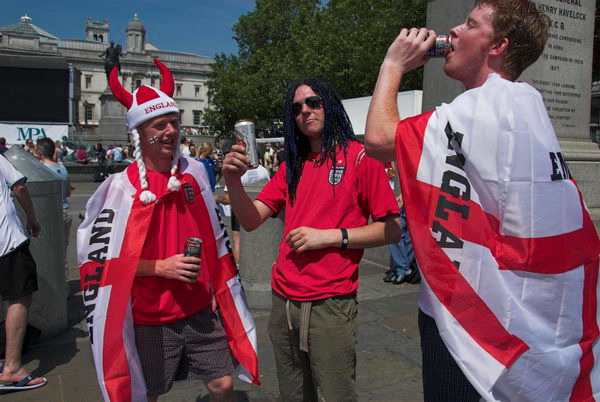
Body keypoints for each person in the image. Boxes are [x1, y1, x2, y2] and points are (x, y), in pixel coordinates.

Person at [365, 1, 600, 401]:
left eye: (471, 24)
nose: (453, 30)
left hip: (473, 326)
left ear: (498, 46)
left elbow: (379, 139)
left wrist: (392, 66)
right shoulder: (525, 104)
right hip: (528, 321)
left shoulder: (483, 106)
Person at [77, 59, 258, 401]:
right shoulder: (118, 189)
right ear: (139, 134)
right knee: (148, 393)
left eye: (173, 123)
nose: (170, 131)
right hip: (150, 319)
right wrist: (159, 267)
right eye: (159, 125)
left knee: (223, 386)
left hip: (201, 309)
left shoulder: (196, 173)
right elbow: (98, 266)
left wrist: (220, 290)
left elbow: (215, 238)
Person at [223, 78, 401, 402]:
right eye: (297, 108)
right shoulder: (292, 164)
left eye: (313, 102)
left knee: (337, 395)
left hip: (330, 306)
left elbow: (392, 229)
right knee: (293, 396)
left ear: (329, 105)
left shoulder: (362, 158)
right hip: (284, 303)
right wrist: (233, 183)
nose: (305, 110)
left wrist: (330, 237)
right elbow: (250, 221)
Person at [0, 152, 45, 391]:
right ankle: (12, 368)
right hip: (6, 241)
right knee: (19, 296)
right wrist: (32, 218)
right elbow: (19, 187)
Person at [215, 154, 271, 265]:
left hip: (240, 209)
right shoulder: (263, 170)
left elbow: (229, 198)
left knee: (237, 239)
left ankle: (239, 267)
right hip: (262, 207)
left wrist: (216, 198)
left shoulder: (237, 172)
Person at [36, 138, 72, 281]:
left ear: (39, 152)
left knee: (46, 251)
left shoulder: (40, 168)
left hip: (47, 213)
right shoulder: (62, 168)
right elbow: (68, 192)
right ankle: (64, 284)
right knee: (62, 252)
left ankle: (49, 285)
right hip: (64, 212)